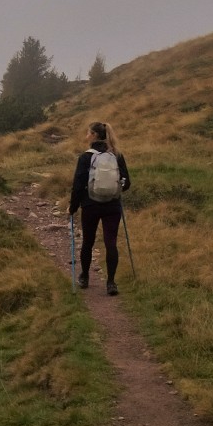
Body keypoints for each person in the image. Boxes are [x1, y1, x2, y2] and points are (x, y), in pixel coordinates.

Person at [68, 120, 131, 295]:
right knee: (111, 242)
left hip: (90, 205)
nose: (86, 136)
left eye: (88, 133)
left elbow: (78, 185)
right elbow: (127, 183)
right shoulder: (116, 155)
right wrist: (116, 191)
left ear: (94, 135)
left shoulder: (86, 157)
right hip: (112, 205)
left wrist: (73, 207)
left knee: (88, 242)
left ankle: (85, 277)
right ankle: (111, 283)